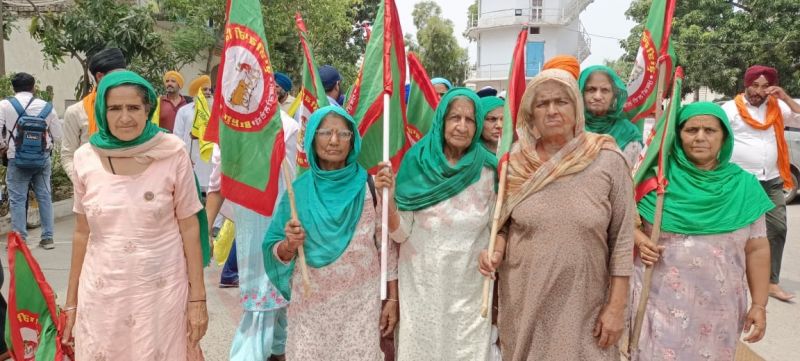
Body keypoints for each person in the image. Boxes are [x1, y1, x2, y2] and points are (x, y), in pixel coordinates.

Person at [478, 69, 633, 360]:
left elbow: (622, 240)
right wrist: (494, 252)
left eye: (561, 101)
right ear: (530, 114)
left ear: (576, 107)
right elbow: (503, 226)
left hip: (585, 302)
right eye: (542, 103)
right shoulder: (515, 162)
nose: (552, 110)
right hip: (524, 298)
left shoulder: (608, 160)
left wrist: (616, 307)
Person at [61, 70, 209, 360]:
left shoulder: (172, 152)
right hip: (102, 292)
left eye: (133, 108)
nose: (124, 117)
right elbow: (81, 232)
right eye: (115, 108)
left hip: (159, 292)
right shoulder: (85, 158)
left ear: (148, 110)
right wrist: (71, 303)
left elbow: (190, 228)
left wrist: (198, 299)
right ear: (102, 110)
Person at [630, 102, 772, 360]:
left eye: (710, 130)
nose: (700, 137)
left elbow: (757, 248)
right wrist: (640, 239)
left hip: (719, 311)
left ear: (724, 137)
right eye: (691, 130)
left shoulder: (744, 186)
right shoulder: (654, 181)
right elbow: (621, 222)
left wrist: (759, 305)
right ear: (678, 134)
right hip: (658, 305)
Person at [263, 105, 399, 360]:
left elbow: (386, 247)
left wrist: (392, 299)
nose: (334, 141)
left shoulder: (370, 186)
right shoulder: (297, 192)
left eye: (343, 134)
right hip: (311, 306)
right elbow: (274, 248)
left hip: (360, 305)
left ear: (353, 140)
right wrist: (289, 245)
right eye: (325, 133)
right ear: (312, 139)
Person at [391, 88, 497, 360]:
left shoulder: (490, 170)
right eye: (454, 118)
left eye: (470, 120)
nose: (462, 126)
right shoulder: (416, 164)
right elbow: (400, 234)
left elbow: (499, 228)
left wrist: (495, 253)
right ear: (441, 121)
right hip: (423, 290)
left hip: (471, 293)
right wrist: (389, 199)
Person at [205, 80, 300, 360]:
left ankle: (276, 352)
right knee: (261, 301)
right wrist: (205, 229)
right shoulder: (235, 128)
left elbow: (295, 177)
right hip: (252, 225)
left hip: (284, 219)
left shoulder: (288, 127)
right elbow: (218, 182)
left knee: (279, 297)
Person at [722, 65, 800, 302]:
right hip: (741, 180)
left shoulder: (776, 107)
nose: (759, 91)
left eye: (765, 86)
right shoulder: (730, 109)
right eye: (755, 85)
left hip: (772, 179)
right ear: (746, 85)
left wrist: (785, 97)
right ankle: (730, 276)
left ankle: (770, 282)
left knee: (777, 228)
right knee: (735, 231)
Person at [0, 72, 60, 250]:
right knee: (44, 196)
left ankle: (20, 240)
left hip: (16, 159)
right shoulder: (47, 107)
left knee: (18, 199)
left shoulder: (5, 105)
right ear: (34, 87)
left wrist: (4, 146)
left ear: (13, 87)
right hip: (42, 159)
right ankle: (48, 238)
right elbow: (58, 135)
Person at [62, 47, 127, 177]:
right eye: (117, 75)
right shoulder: (76, 111)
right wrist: (82, 181)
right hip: (90, 187)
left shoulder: (132, 109)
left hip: (126, 182)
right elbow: (68, 155)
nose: (124, 79)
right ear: (100, 76)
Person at [578, 65, 643, 166]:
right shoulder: (570, 128)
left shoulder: (628, 132)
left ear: (614, 96)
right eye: (591, 89)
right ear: (581, 93)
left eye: (605, 90)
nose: (597, 96)